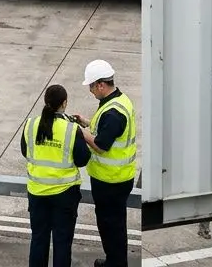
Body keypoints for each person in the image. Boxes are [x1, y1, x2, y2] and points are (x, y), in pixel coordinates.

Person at [70, 59, 137, 267]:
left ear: (100, 84)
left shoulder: (113, 112)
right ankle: (115, 261)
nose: (91, 91)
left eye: (91, 86)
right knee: (114, 225)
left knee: (110, 226)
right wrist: (88, 122)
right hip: (117, 178)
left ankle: (115, 264)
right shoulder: (119, 101)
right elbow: (107, 131)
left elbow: (101, 145)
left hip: (111, 181)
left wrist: (81, 132)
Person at [21, 83, 91, 267]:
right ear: (64, 103)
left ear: (46, 101)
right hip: (64, 194)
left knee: (38, 240)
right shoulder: (70, 129)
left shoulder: (30, 124)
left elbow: (24, 151)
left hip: (37, 193)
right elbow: (83, 159)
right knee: (62, 243)